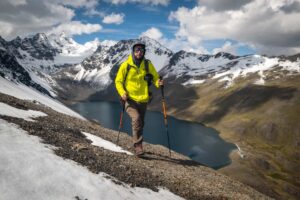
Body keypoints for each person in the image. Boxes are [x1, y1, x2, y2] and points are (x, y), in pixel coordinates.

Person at [115, 41, 163, 156]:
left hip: (143, 100)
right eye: (137, 50)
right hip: (129, 99)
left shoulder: (147, 65)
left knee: (141, 122)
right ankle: (138, 146)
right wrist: (122, 93)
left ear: (144, 52)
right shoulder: (126, 65)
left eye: (141, 50)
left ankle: (138, 143)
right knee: (136, 119)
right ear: (133, 51)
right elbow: (118, 81)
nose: (139, 52)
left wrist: (158, 83)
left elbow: (155, 77)